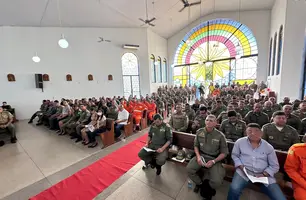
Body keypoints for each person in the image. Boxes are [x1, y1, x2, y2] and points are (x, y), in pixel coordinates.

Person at [227, 123, 286, 200]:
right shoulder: (240, 142)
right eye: (250, 131)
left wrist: (264, 174)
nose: (253, 133)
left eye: (256, 131)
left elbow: (274, 166)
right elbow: (235, 156)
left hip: (263, 175)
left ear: (261, 133)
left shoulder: (268, 147)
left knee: (280, 198)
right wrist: (241, 166)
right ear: (246, 132)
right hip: (243, 171)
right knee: (234, 189)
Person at [187, 115, 228, 200]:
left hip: (214, 159)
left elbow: (224, 153)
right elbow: (196, 145)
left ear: (216, 123)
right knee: (189, 169)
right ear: (205, 121)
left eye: (211, 120)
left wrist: (213, 161)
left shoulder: (220, 135)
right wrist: (198, 157)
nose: (209, 122)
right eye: (207, 120)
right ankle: (200, 184)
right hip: (201, 156)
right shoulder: (199, 131)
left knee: (217, 182)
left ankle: (208, 186)